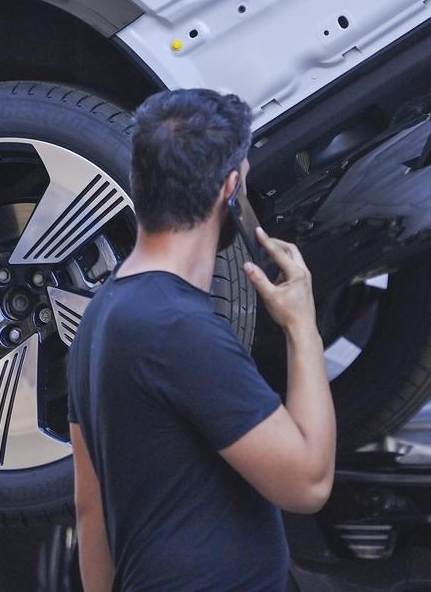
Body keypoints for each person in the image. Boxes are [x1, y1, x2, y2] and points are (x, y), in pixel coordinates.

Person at [67, 88, 336, 592]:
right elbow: (308, 483)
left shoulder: (102, 317)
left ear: (139, 181)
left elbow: (90, 508)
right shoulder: (176, 328)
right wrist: (303, 329)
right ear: (229, 190)